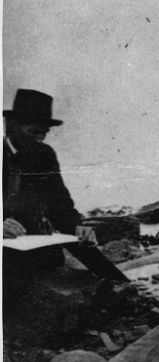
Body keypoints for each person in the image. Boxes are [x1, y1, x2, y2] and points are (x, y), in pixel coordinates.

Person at [3, 89, 96, 245]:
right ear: (13, 126)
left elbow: (59, 204)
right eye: (33, 132)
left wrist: (77, 227)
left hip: (35, 248)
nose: (40, 139)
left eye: (44, 133)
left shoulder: (45, 155)